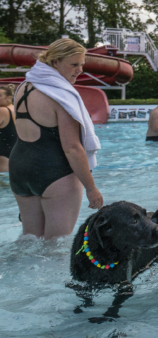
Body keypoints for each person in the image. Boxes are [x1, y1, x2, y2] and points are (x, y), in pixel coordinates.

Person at [10, 38, 103, 238]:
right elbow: (72, 148)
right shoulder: (60, 95)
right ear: (55, 62)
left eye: (81, 64)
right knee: (56, 245)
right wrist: (91, 188)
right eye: (74, 64)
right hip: (53, 172)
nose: (79, 70)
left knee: (29, 238)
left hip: (20, 169)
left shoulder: (24, 87)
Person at [0, 84, 17, 172]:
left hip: (3, 160)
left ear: (8, 97)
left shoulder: (2, 110)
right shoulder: (14, 109)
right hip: (15, 156)